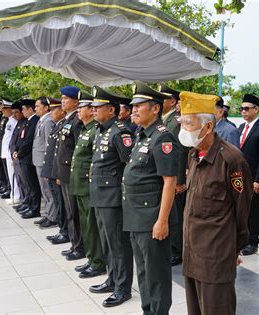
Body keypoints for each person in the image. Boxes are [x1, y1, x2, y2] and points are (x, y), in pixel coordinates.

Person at [179, 91, 252, 315]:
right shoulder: (193, 155)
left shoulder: (231, 159)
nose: (183, 130)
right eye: (181, 123)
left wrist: (234, 248)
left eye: (188, 124)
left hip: (216, 255)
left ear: (208, 127)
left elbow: (242, 209)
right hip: (192, 252)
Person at [122, 81, 179, 314]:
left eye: (139, 105)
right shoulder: (142, 135)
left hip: (151, 217)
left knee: (156, 274)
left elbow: (170, 182)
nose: (134, 110)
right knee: (144, 272)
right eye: (133, 106)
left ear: (155, 109)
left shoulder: (162, 137)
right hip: (136, 216)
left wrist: (162, 220)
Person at [88, 86, 134, 307]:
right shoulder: (101, 129)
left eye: (98, 107)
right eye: (94, 107)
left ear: (111, 110)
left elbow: (129, 164)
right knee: (106, 242)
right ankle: (112, 278)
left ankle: (123, 288)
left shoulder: (120, 132)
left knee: (118, 244)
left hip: (113, 196)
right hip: (99, 193)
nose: (94, 110)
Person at [69, 91, 106, 279]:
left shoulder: (94, 131)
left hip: (88, 186)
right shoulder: (84, 129)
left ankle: (98, 262)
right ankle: (91, 258)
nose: (78, 111)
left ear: (91, 111)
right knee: (85, 224)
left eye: (81, 108)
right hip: (79, 185)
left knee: (91, 225)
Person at [159, 83, 189, 267]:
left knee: (175, 214)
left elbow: (180, 152)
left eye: (163, 97)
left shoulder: (176, 121)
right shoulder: (163, 120)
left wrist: (180, 180)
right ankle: (169, 246)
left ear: (172, 101)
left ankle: (177, 250)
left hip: (174, 177)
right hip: (163, 176)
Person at [238, 94, 259, 256]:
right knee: (241, 210)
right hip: (238, 177)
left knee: (252, 209)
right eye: (241, 108)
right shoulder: (240, 128)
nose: (243, 112)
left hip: (253, 178)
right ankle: (242, 239)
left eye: (246, 108)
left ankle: (253, 241)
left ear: (256, 110)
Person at [55, 86, 84, 257]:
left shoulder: (76, 121)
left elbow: (77, 150)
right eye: (62, 98)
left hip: (73, 173)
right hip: (64, 172)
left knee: (75, 212)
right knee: (69, 211)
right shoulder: (67, 120)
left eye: (66, 98)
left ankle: (79, 246)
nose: (62, 101)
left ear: (76, 102)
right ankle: (74, 244)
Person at [41, 99, 69, 243]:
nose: (51, 113)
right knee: (58, 203)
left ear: (62, 111)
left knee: (62, 204)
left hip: (58, 171)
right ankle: (61, 229)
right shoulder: (58, 125)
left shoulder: (63, 125)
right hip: (52, 170)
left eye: (54, 110)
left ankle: (65, 231)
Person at [12, 99, 41, 219]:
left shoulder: (34, 121)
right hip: (22, 157)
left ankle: (34, 209)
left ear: (30, 109)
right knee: (26, 184)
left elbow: (28, 140)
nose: (22, 111)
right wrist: (15, 151)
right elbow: (20, 139)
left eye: (24, 109)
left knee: (31, 185)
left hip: (27, 158)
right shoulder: (28, 121)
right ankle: (28, 204)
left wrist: (19, 153)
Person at [32, 97, 56, 228]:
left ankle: (52, 216)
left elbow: (48, 144)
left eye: (37, 106)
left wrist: (48, 163)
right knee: (44, 189)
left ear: (46, 107)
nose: (36, 108)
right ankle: (47, 213)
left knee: (48, 190)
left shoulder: (48, 121)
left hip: (43, 160)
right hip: (38, 159)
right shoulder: (42, 120)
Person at [0, 100, 20, 205]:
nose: (2, 111)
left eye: (4, 109)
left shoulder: (14, 121)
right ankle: (13, 193)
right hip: (7, 152)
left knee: (14, 175)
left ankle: (16, 195)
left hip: (11, 152)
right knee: (10, 174)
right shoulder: (9, 120)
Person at [9, 101, 28, 213]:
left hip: (22, 157)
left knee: (26, 184)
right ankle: (24, 201)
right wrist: (13, 152)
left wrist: (18, 152)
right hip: (16, 156)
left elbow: (25, 141)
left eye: (16, 112)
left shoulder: (25, 123)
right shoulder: (19, 123)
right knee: (20, 181)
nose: (14, 115)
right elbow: (14, 141)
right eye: (13, 113)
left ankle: (29, 204)